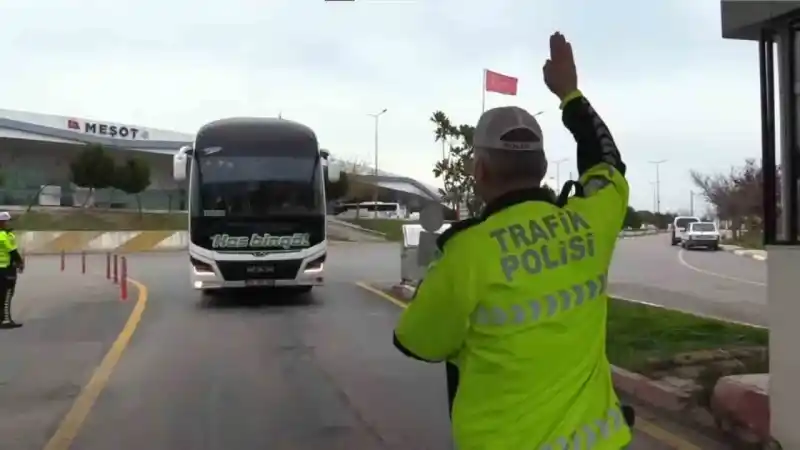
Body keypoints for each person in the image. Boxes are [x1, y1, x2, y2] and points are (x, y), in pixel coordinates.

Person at [392, 32, 632, 449]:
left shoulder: (467, 254)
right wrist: (570, 93)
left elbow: (417, 342)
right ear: (541, 166)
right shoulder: (590, 223)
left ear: (480, 170)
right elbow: (607, 162)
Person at [0, 211, 24, 329]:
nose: (9, 224)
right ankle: (5, 320)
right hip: (6, 269)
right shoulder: (3, 236)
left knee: (1, 295)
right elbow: (12, 252)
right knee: (7, 295)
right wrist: (20, 262)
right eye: (7, 221)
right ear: (2, 223)